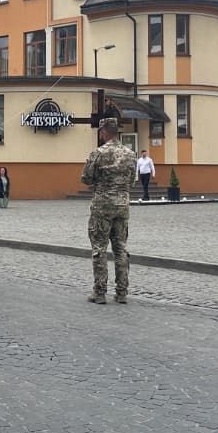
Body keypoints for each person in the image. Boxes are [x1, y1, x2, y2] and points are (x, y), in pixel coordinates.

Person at [80, 117, 137, 304]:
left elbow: (86, 178)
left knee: (99, 248)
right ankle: (122, 293)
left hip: (102, 206)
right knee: (121, 248)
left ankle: (100, 292)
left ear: (103, 132)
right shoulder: (130, 154)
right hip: (122, 205)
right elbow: (132, 181)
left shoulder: (98, 153)